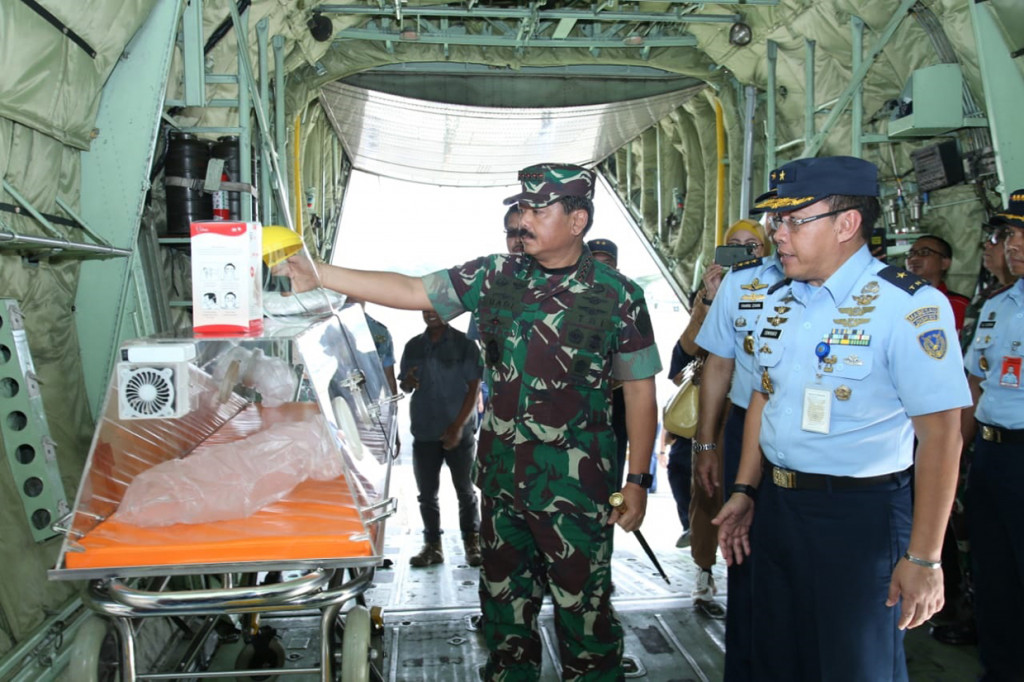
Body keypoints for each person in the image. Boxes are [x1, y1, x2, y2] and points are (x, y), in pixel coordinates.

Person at [276, 162, 660, 680]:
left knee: (586, 619)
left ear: (577, 220)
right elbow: (412, 290)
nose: (523, 218)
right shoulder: (494, 276)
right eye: (521, 207)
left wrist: (636, 480)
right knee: (505, 618)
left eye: (537, 208)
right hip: (502, 486)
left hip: (577, 493)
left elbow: (639, 391)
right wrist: (316, 271)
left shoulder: (619, 296)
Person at [714, 155, 971, 681]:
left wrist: (924, 558)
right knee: (779, 658)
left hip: (859, 517)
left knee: (851, 666)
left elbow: (943, 438)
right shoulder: (785, 300)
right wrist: (745, 489)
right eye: (775, 221)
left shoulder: (908, 307)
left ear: (847, 224)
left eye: (792, 220)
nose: (777, 234)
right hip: (780, 508)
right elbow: (767, 396)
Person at [691, 215, 782, 679]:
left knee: (790, 558)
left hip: (801, 432)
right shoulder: (738, 285)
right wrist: (707, 441)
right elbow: (715, 362)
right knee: (740, 547)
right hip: (744, 419)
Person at [962, 189, 1024, 682]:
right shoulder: (1000, 305)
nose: (1016, 245)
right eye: (1011, 234)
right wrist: (959, 458)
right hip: (992, 456)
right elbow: (974, 384)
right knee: (994, 576)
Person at [400, 310, 484, 568]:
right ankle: (432, 547)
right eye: (425, 310)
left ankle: (473, 544)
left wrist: (457, 427)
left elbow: (474, 388)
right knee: (426, 494)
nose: (430, 314)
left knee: (466, 491)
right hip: (425, 429)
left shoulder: (465, 344)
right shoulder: (413, 345)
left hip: (458, 431)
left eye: (435, 309)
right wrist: (409, 381)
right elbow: (405, 384)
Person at [587, 238, 629, 485]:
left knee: (610, 473)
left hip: (616, 400)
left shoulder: (628, 305)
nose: (601, 270)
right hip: (575, 401)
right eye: (594, 263)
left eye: (608, 264)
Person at [905, 234, 970, 332]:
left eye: (924, 252)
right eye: (911, 254)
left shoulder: (960, 305)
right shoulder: (897, 302)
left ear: (945, 263)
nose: (914, 259)